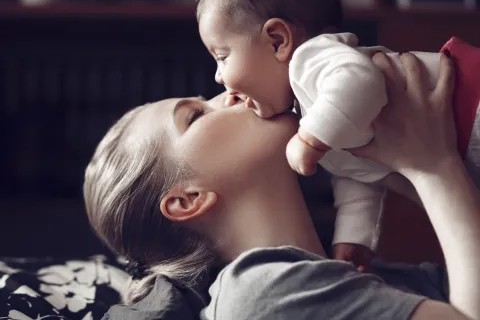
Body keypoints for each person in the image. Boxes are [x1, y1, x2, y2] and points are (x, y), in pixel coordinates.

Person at [84, 51, 480, 319]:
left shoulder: (358, 279)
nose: (231, 93)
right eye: (196, 115)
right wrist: (434, 166)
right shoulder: (259, 294)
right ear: (187, 200)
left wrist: (407, 163)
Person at [196, 0, 480, 271]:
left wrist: (310, 139)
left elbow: (360, 79)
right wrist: (354, 236)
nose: (219, 78)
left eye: (222, 57)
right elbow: (359, 174)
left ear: (278, 41)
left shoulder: (311, 59)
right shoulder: (320, 111)